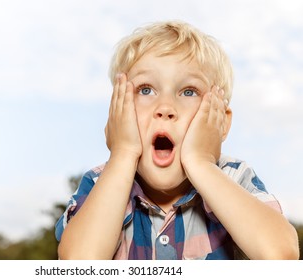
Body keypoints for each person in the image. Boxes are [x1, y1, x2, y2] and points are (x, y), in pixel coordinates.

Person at [55, 20, 299, 260]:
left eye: (189, 91)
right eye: (146, 90)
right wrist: (123, 153)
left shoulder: (233, 177)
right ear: (118, 113)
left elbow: (280, 256)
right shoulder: (101, 182)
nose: (165, 108)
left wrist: (200, 162)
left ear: (221, 123)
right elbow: (78, 264)